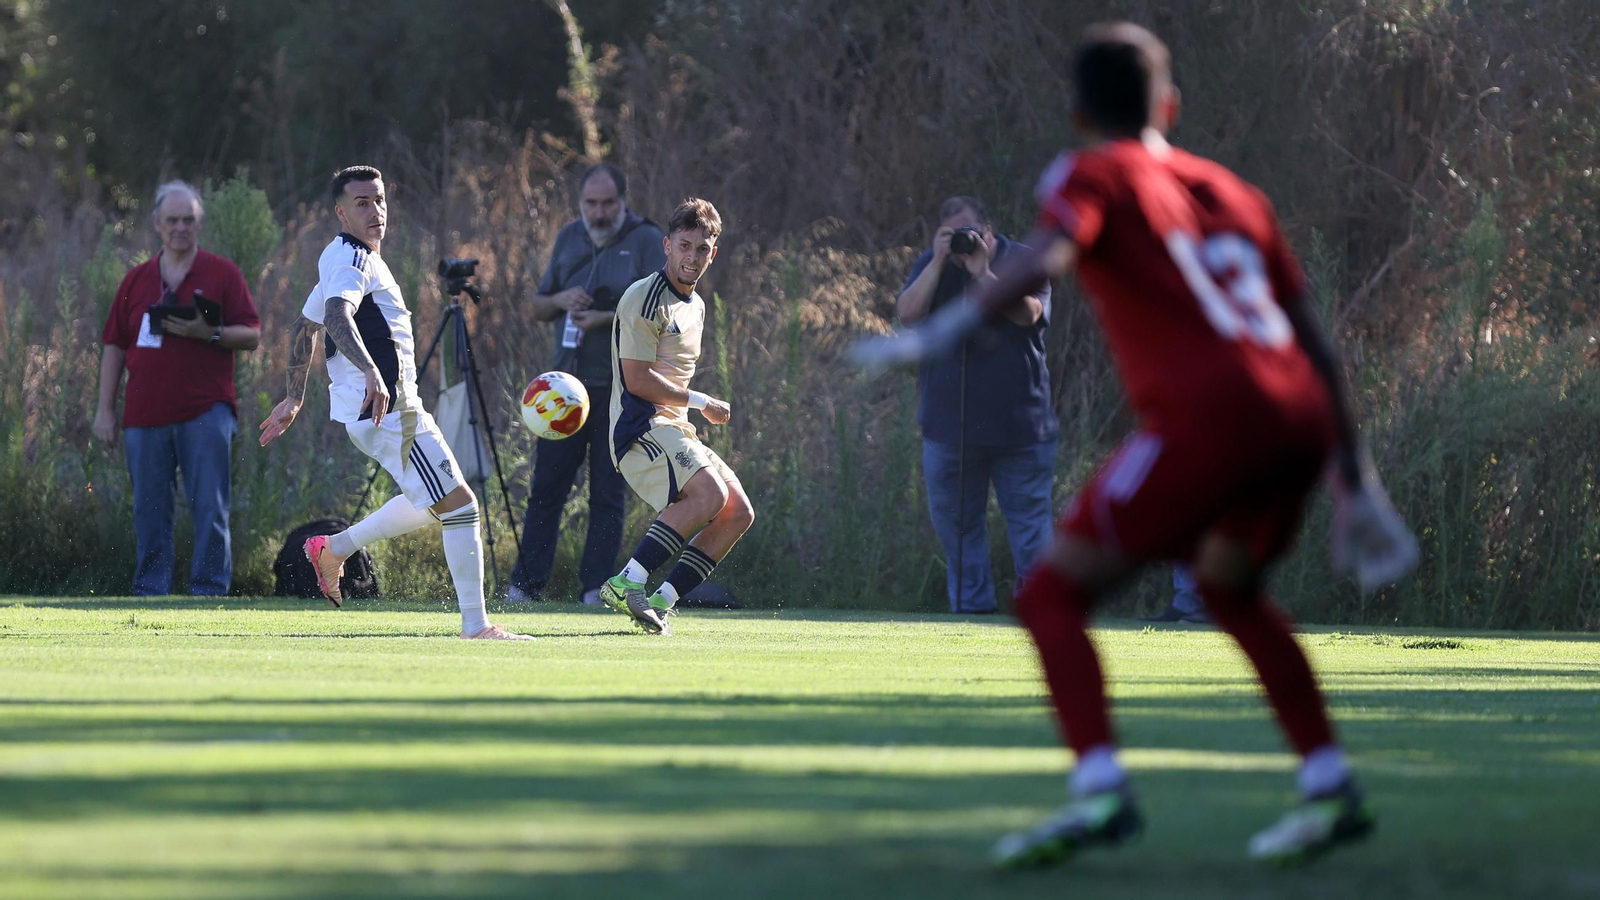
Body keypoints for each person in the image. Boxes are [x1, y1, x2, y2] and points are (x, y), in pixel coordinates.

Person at [854, 23, 1416, 867]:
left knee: (1048, 597)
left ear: (1078, 112)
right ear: (1171, 105)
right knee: (1232, 592)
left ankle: (1100, 791)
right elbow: (1311, 336)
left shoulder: (1091, 171)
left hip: (1210, 419)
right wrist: (1354, 474)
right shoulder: (1235, 191)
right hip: (1295, 416)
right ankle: (1331, 786)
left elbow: (1054, 251)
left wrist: (947, 329)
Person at [257, 165, 530, 641]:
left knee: (433, 502)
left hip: (383, 411)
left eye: (379, 200)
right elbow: (337, 314)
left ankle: (334, 549)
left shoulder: (338, 256)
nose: (375, 210)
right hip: (387, 410)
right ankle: (476, 626)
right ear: (341, 212)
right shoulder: (352, 260)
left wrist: (294, 396)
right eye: (361, 203)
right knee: (461, 507)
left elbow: (305, 327)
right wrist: (369, 371)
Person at [508, 163, 666, 605]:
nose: (598, 213)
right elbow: (539, 306)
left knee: (607, 494)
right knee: (546, 489)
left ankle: (595, 588)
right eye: (590, 204)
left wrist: (605, 317)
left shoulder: (647, 241)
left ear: (623, 201)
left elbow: (663, 313)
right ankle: (525, 586)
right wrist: (561, 300)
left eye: (607, 204)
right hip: (563, 389)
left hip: (621, 388)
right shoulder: (569, 236)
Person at [93, 180, 262, 596]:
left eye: (189, 220)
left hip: (206, 411)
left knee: (210, 508)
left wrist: (211, 332)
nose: (181, 228)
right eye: (173, 220)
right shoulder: (136, 281)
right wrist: (104, 411)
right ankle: (151, 589)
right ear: (156, 223)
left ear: (199, 223)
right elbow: (114, 345)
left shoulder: (221, 273)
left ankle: (209, 589)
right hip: (144, 415)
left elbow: (253, 335)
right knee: (149, 511)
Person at [598, 198, 753, 635]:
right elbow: (638, 381)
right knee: (707, 497)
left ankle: (661, 603)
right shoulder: (645, 298)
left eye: (701, 249)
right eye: (684, 246)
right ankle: (626, 581)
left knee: (738, 512)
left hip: (672, 427)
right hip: (639, 428)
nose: (692, 257)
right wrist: (703, 402)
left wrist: (690, 409)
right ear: (666, 245)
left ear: (712, 253)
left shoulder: (696, 305)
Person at [897, 196, 1057, 614]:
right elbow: (908, 313)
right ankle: (972, 616)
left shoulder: (1023, 260)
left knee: (1031, 532)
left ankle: (1041, 613)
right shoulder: (933, 264)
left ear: (989, 228)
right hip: (949, 429)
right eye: (954, 234)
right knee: (959, 534)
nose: (964, 241)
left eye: (970, 231)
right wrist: (937, 260)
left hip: (1021, 430)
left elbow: (1030, 314)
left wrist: (983, 272)